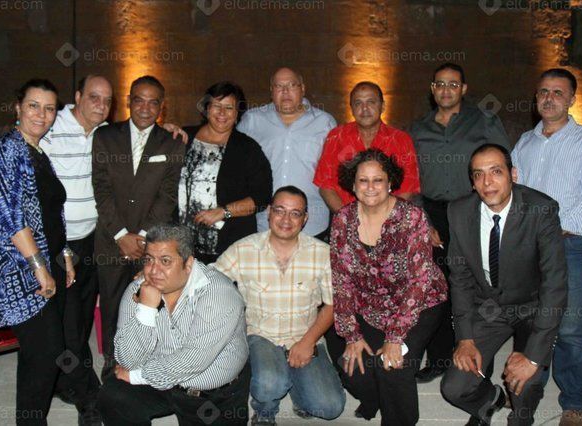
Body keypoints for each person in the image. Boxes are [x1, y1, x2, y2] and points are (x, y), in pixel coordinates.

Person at [0, 79, 83, 424]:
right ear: (18, 107)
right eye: (34, 105)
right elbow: (5, 214)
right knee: (47, 351)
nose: (41, 114)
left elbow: (49, 212)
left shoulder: (37, 152)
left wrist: (64, 254)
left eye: (49, 108)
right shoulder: (7, 149)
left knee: (41, 351)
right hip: (19, 268)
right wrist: (39, 266)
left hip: (47, 260)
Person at [441, 144, 568, 426]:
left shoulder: (541, 209)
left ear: (513, 175)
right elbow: (460, 279)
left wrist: (532, 359)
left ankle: (522, 417)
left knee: (524, 384)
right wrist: (465, 338)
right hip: (488, 307)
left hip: (532, 306)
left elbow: (554, 286)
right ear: (472, 182)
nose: (487, 182)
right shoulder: (459, 212)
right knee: (454, 388)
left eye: (496, 172)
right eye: (479, 174)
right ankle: (490, 400)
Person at [511, 68, 582, 426]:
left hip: (572, 245)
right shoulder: (524, 143)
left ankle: (575, 402)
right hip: (530, 246)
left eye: (557, 92)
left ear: (571, 99)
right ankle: (530, 388)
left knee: (570, 325)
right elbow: (515, 194)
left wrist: (548, 231)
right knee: (533, 318)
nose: (549, 98)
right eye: (543, 92)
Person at [409, 62, 511, 383]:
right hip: (432, 213)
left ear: (464, 89)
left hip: (473, 210)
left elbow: (504, 166)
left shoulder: (484, 121)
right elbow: (411, 179)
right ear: (432, 89)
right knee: (436, 289)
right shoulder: (418, 129)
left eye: (453, 84)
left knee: (474, 286)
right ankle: (439, 358)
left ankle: (476, 355)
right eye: (440, 84)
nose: (446, 90)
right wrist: (423, 221)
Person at [331, 149, 447, 425]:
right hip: (370, 305)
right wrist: (352, 335)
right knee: (354, 366)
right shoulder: (343, 219)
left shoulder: (412, 218)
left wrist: (395, 338)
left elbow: (418, 282)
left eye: (378, 180)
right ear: (353, 185)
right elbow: (341, 280)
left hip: (419, 304)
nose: (370, 187)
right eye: (363, 180)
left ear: (390, 183)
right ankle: (374, 400)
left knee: (392, 365)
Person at [214, 186, 345, 426]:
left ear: (305, 219)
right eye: (280, 210)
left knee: (330, 407)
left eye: (295, 213)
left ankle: (297, 387)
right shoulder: (243, 249)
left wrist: (307, 342)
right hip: (261, 335)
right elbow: (210, 280)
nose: (286, 220)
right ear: (269, 213)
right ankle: (265, 411)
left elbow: (333, 304)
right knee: (270, 384)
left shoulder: (322, 253)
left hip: (305, 335)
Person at [97, 224, 250, 425]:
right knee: (113, 395)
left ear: (189, 264)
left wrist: (138, 376)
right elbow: (127, 359)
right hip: (161, 383)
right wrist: (146, 309)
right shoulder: (137, 290)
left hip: (211, 396)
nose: (153, 271)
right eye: (148, 260)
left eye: (165, 261)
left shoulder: (219, 294)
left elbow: (192, 360)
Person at [92, 75, 186, 379]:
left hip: (152, 243)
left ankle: (143, 360)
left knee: (148, 302)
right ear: (129, 101)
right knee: (111, 303)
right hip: (111, 239)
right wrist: (121, 235)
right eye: (139, 100)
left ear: (161, 106)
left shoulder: (172, 142)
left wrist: (144, 236)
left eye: (152, 102)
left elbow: (168, 195)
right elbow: (101, 188)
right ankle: (112, 362)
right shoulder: (105, 137)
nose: (145, 108)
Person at [39, 74, 112, 410]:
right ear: (79, 97)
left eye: (107, 100)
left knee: (80, 318)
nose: (101, 105)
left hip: (91, 239)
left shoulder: (105, 133)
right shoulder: (51, 126)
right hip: (59, 242)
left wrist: (169, 128)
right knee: (68, 322)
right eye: (94, 97)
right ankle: (88, 396)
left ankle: (63, 381)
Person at [237, 67, 336, 240]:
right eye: (279, 86)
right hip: (264, 222)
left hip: (313, 223)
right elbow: (231, 157)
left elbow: (335, 172)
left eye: (292, 85)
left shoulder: (324, 122)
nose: (285, 91)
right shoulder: (252, 120)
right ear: (271, 90)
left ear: (303, 88)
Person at [179, 81, 272, 264]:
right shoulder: (183, 137)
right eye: (216, 106)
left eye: (229, 107)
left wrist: (224, 212)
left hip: (228, 247)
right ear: (207, 109)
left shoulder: (248, 149)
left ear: (237, 114)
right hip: (182, 245)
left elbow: (262, 197)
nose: (222, 113)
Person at [314, 81, 420, 213]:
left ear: (382, 106)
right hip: (344, 217)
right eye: (358, 103)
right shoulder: (336, 136)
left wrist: (386, 219)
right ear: (351, 108)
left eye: (371, 102)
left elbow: (408, 187)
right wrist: (348, 218)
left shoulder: (401, 140)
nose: (364, 108)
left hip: (390, 218)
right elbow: (326, 185)